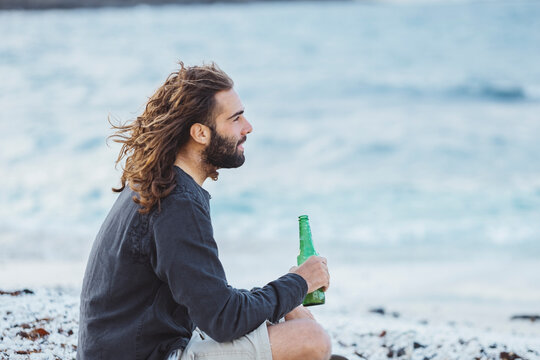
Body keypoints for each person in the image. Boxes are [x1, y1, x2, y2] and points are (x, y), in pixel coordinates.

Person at [77, 62, 333, 360]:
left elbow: (209, 301)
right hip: (148, 354)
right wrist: (300, 282)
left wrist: (293, 289)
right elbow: (223, 320)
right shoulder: (177, 201)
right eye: (235, 119)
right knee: (311, 339)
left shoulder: (159, 183)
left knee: (297, 313)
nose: (248, 127)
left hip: (143, 344)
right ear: (200, 133)